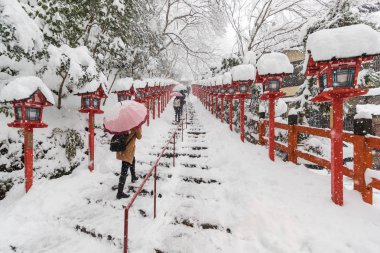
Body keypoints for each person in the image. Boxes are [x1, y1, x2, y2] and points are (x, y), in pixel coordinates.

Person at [116, 127, 142, 199]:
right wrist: (139, 128)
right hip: (127, 150)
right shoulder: (135, 126)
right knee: (124, 171)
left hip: (123, 148)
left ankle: (133, 176)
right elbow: (139, 136)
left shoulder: (124, 124)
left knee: (132, 160)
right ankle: (119, 193)